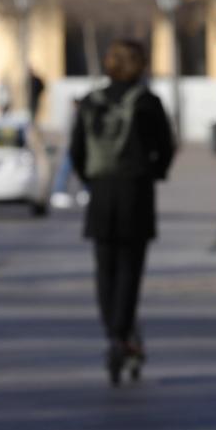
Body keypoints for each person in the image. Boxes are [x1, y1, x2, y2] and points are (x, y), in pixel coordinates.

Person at [70, 39, 175, 385]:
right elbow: (166, 146)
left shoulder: (90, 102)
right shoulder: (148, 102)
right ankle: (122, 333)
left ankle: (113, 333)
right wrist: (154, 172)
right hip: (136, 193)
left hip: (101, 193)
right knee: (130, 268)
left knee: (105, 268)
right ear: (141, 64)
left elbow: (76, 150)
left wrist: (92, 178)